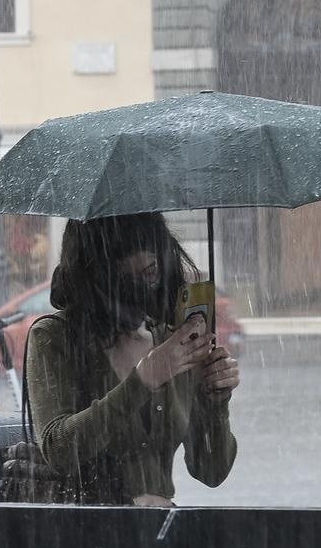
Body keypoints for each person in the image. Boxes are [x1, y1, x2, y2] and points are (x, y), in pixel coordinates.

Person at [24, 213, 239, 512]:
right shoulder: (54, 337)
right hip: (87, 536)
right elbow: (58, 447)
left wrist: (215, 401)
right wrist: (143, 381)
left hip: (158, 538)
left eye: (152, 271)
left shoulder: (168, 338)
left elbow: (211, 471)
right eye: (132, 275)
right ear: (98, 270)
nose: (147, 281)